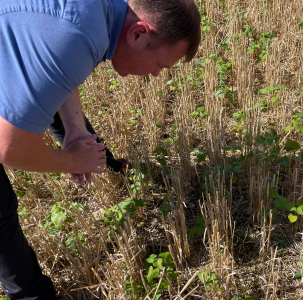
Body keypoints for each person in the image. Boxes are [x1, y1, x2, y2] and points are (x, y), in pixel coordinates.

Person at [0, 0, 201, 299]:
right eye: (160, 65)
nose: (157, 75)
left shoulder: (96, 14)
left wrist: (76, 130)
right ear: (138, 34)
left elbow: (57, 69)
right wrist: (70, 160)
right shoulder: (76, 34)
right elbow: (9, 147)